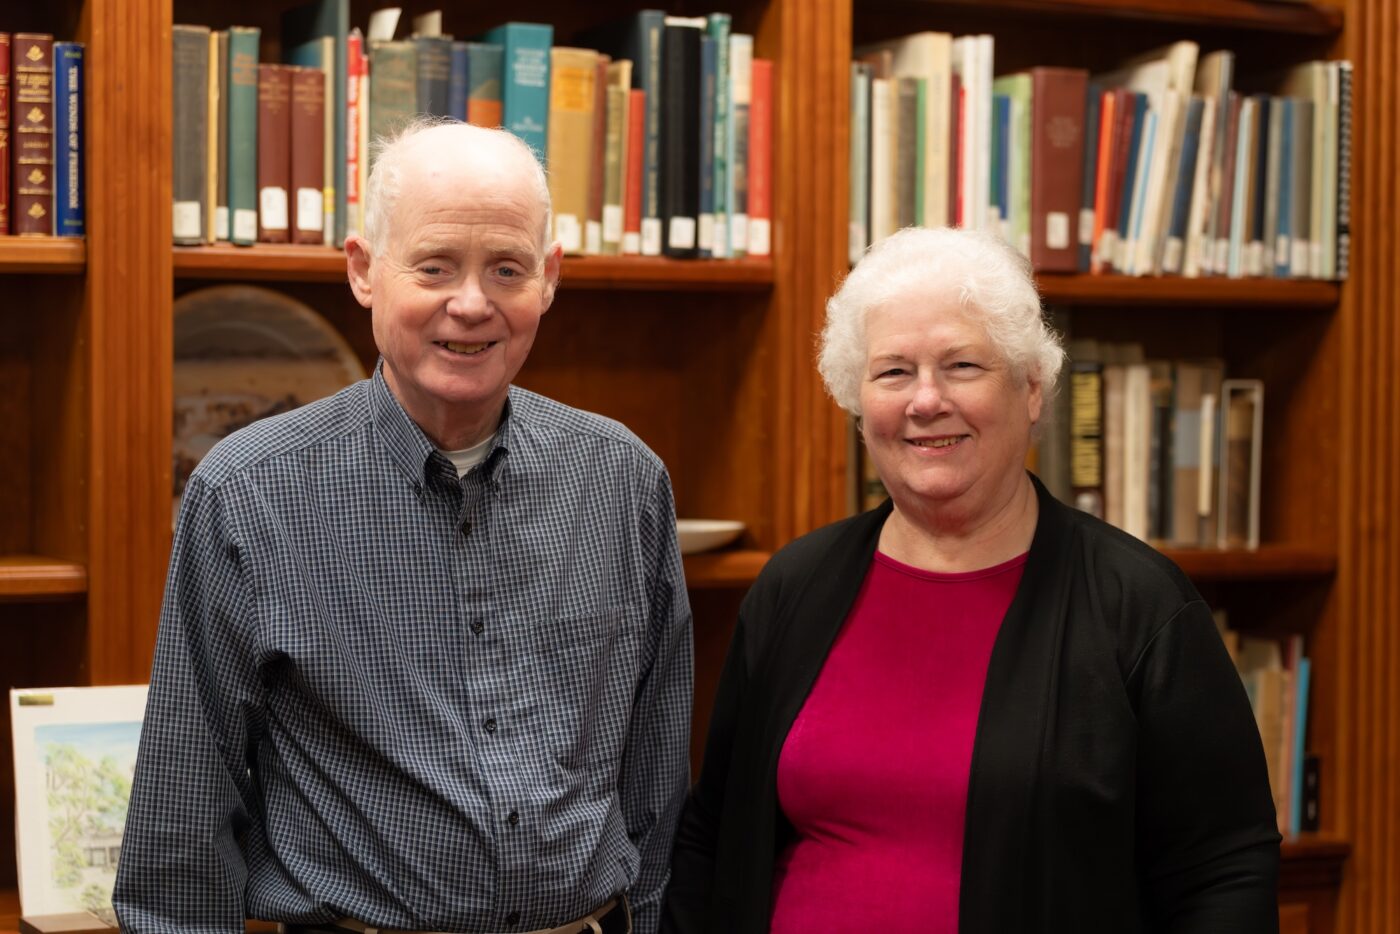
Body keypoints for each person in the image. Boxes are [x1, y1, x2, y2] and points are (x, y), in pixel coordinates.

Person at [114, 119, 692, 934]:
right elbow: (184, 820)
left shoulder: (622, 479)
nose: (471, 304)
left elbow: (657, 774)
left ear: (549, 278)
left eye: (506, 269)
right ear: (363, 270)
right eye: (434, 266)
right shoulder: (248, 493)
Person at [663, 226, 1279, 933]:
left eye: (961, 366)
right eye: (894, 372)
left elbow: (1225, 871)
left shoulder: (1141, 608)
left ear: (1032, 389)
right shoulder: (793, 587)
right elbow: (714, 832)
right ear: (859, 404)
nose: (925, 401)